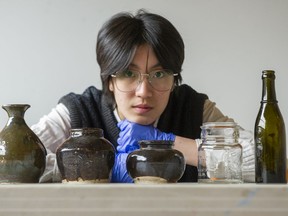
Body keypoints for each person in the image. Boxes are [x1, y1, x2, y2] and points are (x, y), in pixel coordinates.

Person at [31, 9, 254, 183]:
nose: (144, 91)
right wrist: (103, 166)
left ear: (174, 77)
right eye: (128, 73)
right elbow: (11, 159)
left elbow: (261, 159)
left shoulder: (192, 107)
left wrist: (171, 144)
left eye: (159, 74)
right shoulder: (81, 109)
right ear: (109, 79)